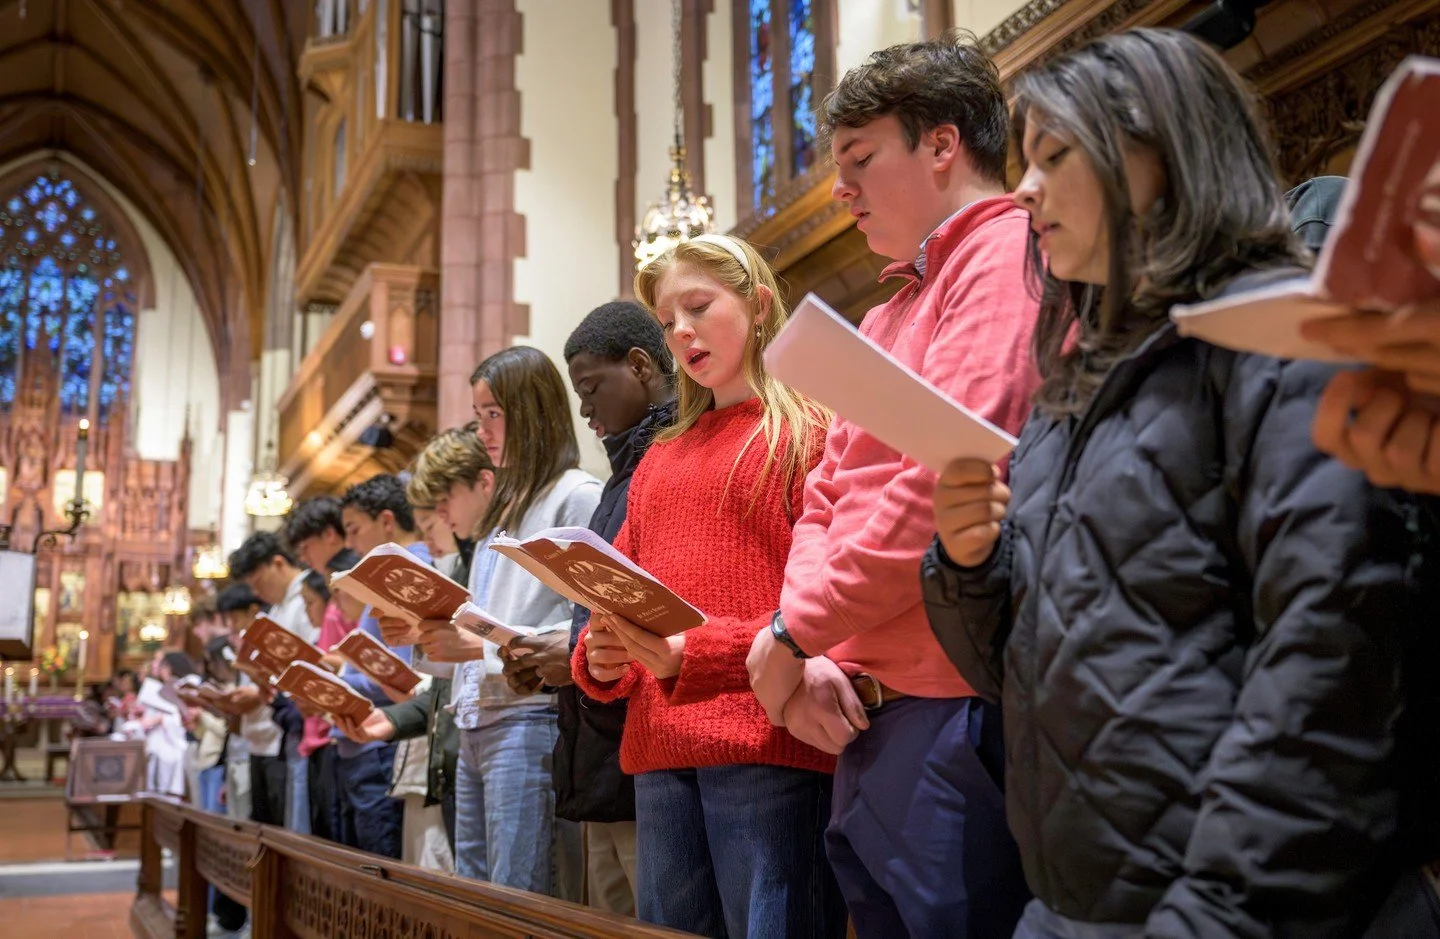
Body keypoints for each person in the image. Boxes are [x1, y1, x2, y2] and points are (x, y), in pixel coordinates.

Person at [921, 29, 1423, 937]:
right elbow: (1029, 675)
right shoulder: (1071, 389)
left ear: (1159, 151)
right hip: (1081, 907)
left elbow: (1328, 673)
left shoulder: (1287, 351)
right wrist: (968, 565)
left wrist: (1210, 917)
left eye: (1054, 155)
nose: (1025, 189)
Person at [743, 31, 1038, 939]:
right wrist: (815, 642)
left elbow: (947, 479)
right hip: (863, 696)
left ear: (942, 145)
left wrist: (799, 630)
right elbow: (825, 495)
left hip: (952, 692)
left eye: (861, 159)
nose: (841, 189)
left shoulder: (1005, 256)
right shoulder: (888, 305)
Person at [571, 234, 845, 938]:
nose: (681, 332)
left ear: (756, 304)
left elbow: (825, 607)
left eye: (698, 306)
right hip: (661, 746)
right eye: (667, 321)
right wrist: (602, 657)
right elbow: (625, 590)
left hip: (767, 739)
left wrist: (701, 653)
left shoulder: (809, 431)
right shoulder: (662, 454)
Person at [414, 347, 600, 899]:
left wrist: (477, 647)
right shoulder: (509, 508)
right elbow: (491, 616)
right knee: (474, 892)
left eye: (492, 413)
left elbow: (582, 622)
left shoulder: (576, 496)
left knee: (518, 892)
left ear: (532, 409)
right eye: (478, 417)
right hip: (475, 718)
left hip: (528, 717)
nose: (484, 430)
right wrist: (440, 641)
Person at [535, 299, 677, 916]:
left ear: (642, 365)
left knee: (654, 913)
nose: (586, 410)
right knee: (609, 914)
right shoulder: (621, 473)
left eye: (591, 389)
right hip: (600, 736)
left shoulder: (665, 460)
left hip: (644, 732)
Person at [327, 474, 428, 859]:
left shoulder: (407, 567)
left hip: (393, 733)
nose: (349, 544)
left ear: (387, 521)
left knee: (384, 858)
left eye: (354, 530)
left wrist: (343, 683)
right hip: (384, 731)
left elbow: (405, 671)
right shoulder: (385, 572)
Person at [228, 531, 312, 832]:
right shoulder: (277, 610)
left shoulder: (305, 599)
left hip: (301, 722)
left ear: (277, 563)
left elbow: (314, 660)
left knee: (294, 825)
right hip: (280, 723)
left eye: (257, 582)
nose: (257, 592)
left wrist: (270, 681)